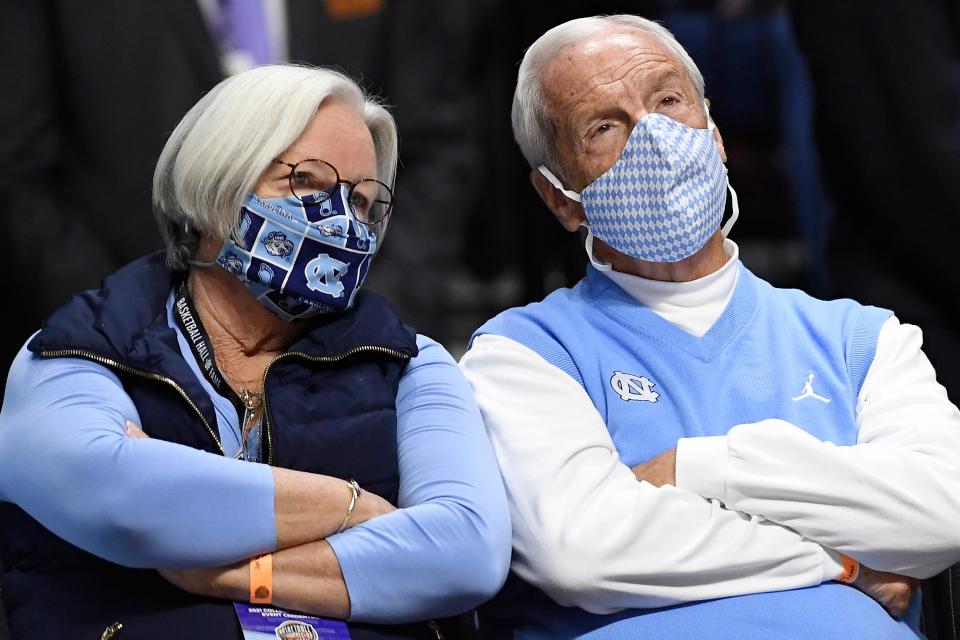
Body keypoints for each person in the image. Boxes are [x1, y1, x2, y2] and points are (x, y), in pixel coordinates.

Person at [459, 14, 960, 639]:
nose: (654, 137)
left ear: (715, 133)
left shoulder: (862, 340)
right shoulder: (522, 355)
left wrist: (706, 469)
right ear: (560, 197)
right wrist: (845, 563)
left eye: (668, 100)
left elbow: (944, 512)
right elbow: (582, 550)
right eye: (604, 127)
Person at [0, 64, 511, 639]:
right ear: (219, 178)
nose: (343, 222)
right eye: (309, 183)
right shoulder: (78, 348)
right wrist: (350, 507)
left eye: (364, 203)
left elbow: (468, 551)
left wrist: (223, 572)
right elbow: (120, 496)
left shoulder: (410, 364)